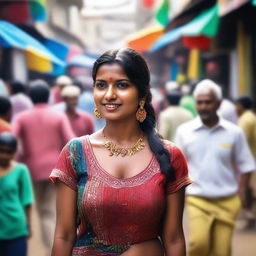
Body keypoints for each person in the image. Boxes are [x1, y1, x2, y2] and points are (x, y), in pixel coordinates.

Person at [50, 48, 192, 256]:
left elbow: (173, 238)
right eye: (101, 85)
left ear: (142, 94)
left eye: (122, 85)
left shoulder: (169, 156)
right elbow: (63, 235)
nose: (109, 95)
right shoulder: (75, 152)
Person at [174, 79, 256, 256]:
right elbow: (177, 168)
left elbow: (247, 165)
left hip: (227, 200)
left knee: (222, 251)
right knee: (198, 245)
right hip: (197, 199)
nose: (203, 106)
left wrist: (241, 191)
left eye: (208, 102)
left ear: (218, 103)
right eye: (200, 102)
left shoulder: (234, 132)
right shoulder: (184, 131)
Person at [12, 80, 75, 256]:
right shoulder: (58, 116)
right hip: (56, 169)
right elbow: (70, 141)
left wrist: (18, 160)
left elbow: (12, 141)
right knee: (49, 211)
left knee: (36, 210)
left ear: (30, 97)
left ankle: (40, 250)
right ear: (48, 96)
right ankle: (50, 250)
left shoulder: (22, 117)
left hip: (31, 169)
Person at [0, 132, 34, 256]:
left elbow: (27, 200)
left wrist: (28, 225)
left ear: (14, 153)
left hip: (16, 229)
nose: (4, 155)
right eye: (1, 151)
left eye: (8, 152)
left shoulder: (21, 170)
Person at [235, 95, 256, 229]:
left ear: (242, 106)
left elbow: (240, 143)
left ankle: (250, 217)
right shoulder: (251, 117)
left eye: (237, 105)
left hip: (248, 162)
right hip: (251, 159)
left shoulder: (245, 120)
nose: (235, 108)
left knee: (245, 189)